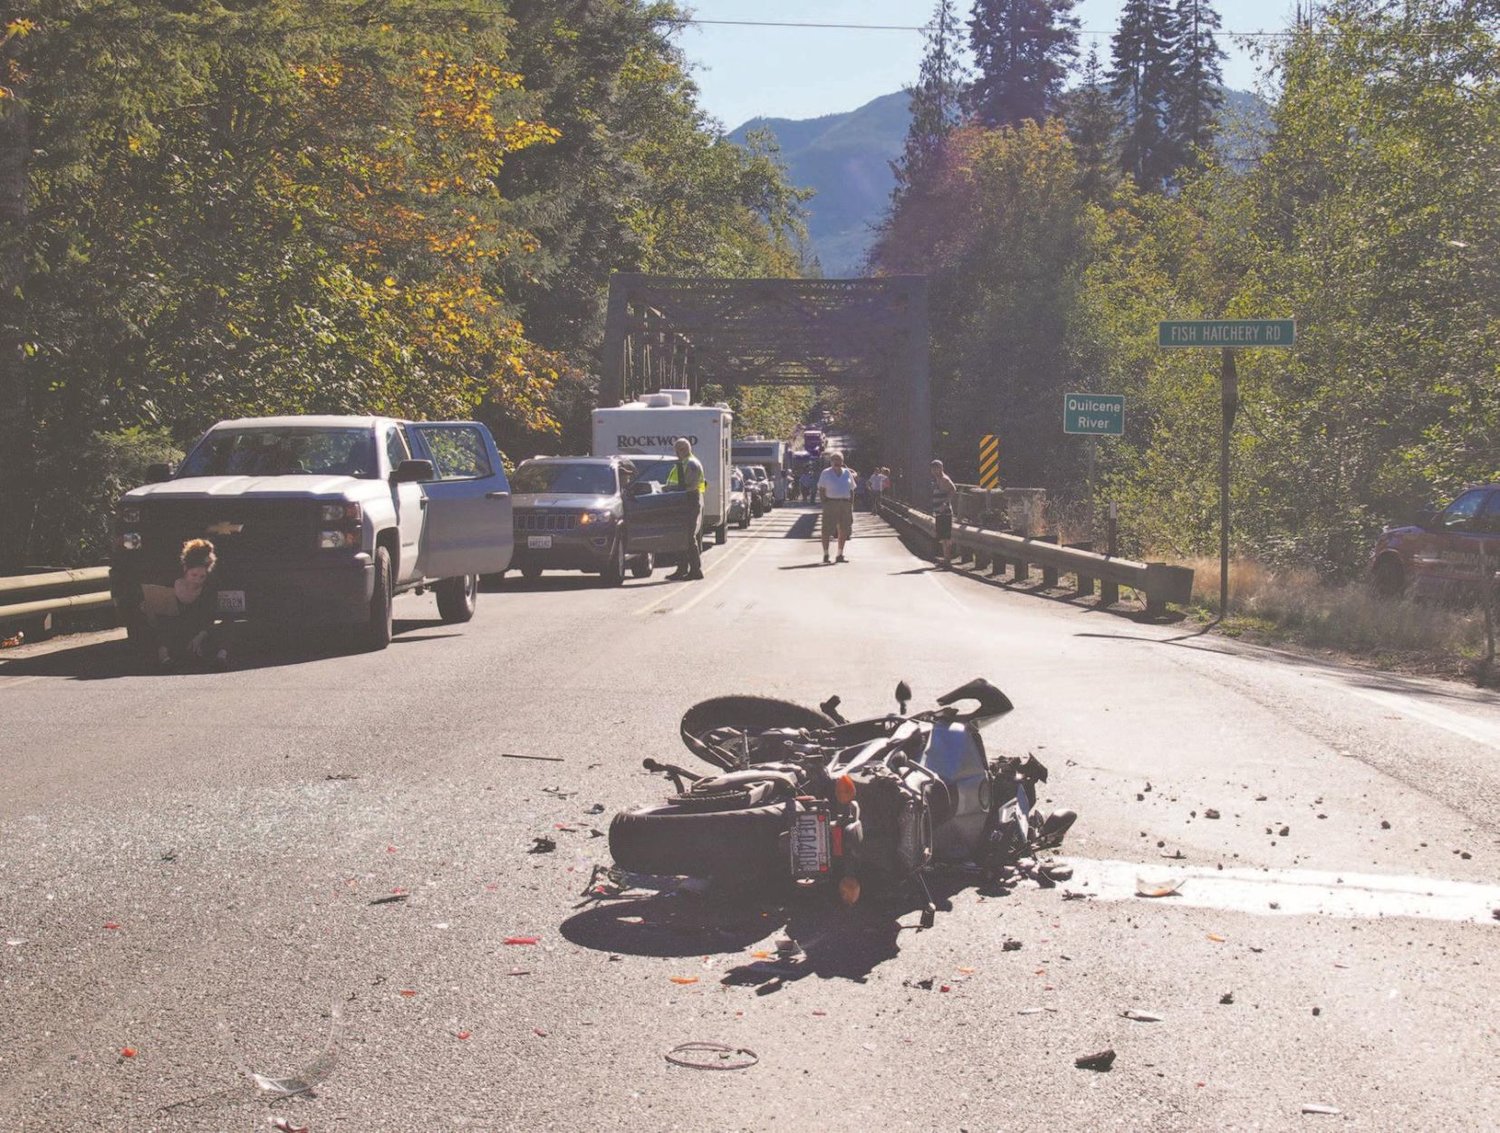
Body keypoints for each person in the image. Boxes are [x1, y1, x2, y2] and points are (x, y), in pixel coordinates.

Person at [134, 538, 229, 669]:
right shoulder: (170, 584)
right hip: (176, 629)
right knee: (162, 629)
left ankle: (220, 658)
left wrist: (199, 637)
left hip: (199, 630)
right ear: (185, 570)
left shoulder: (208, 589)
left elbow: (209, 618)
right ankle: (164, 656)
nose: (197, 580)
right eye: (193, 575)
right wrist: (147, 607)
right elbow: (159, 614)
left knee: (221, 630)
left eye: (202, 577)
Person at [664, 437, 705, 581]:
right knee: (681, 536)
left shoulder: (691, 464)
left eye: (677, 450)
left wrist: (669, 488)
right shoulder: (683, 462)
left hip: (690, 501)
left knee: (688, 537)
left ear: (683, 449)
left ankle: (695, 570)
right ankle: (681, 569)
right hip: (682, 501)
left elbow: (689, 485)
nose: (676, 453)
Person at [817, 451, 857, 564]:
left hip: (845, 503)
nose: (837, 462)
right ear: (831, 462)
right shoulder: (825, 473)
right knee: (826, 529)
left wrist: (851, 503)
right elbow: (821, 489)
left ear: (842, 461)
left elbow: (852, 489)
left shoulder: (847, 473)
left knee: (844, 529)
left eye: (839, 460)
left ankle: (840, 554)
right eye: (834, 460)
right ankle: (826, 554)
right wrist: (824, 502)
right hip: (830, 503)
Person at [930, 459, 957, 567]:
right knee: (942, 536)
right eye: (932, 469)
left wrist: (944, 505)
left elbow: (953, 490)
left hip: (945, 512)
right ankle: (946, 558)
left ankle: (947, 560)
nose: (933, 471)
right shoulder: (937, 479)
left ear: (940, 468)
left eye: (935, 468)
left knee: (946, 536)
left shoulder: (944, 479)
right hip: (939, 512)